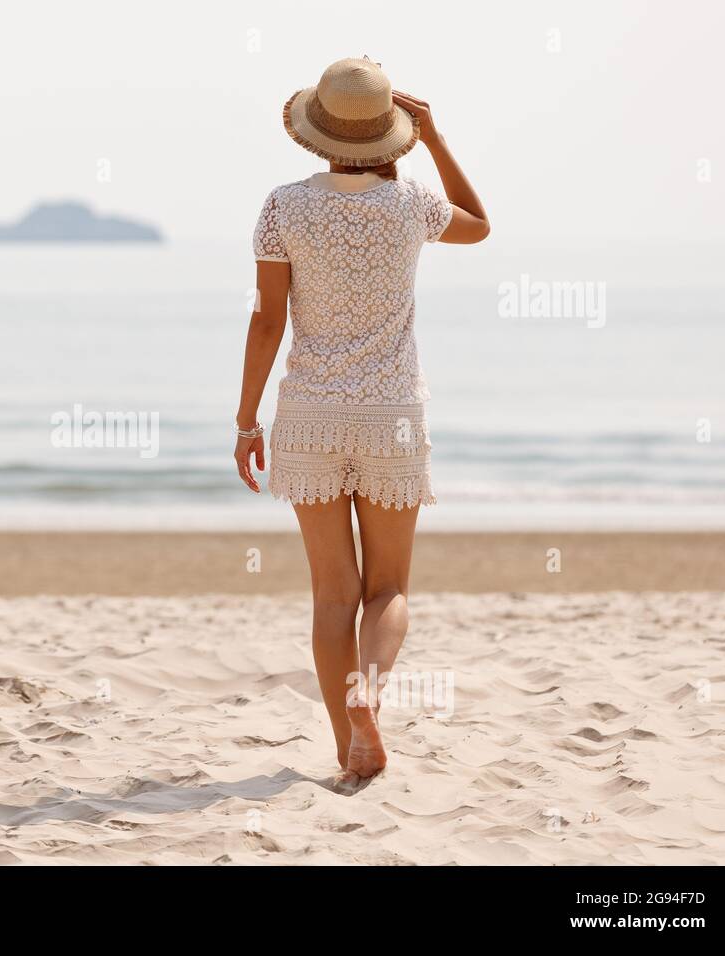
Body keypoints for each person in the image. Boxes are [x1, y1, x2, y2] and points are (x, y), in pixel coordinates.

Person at [233, 57, 489, 783]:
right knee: (389, 590)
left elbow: (266, 320)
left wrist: (247, 420)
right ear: (392, 136)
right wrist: (437, 140)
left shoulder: (284, 206)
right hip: (392, 418)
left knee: (332, 594)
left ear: (318, 133)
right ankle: (366, 698)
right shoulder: (411, 206)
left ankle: (348, 746)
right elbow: (480, 226)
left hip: (311, 415)